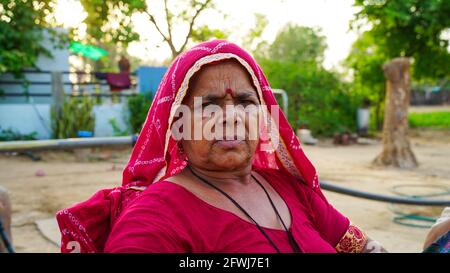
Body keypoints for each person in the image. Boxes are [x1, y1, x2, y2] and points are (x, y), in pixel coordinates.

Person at [57, 40, 386, 253]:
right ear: (177, 126)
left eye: (245, 101)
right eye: (209, 105)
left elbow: (363, 247)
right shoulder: (154, 218)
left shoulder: (290, 189)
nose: (230, 117)